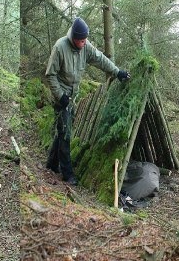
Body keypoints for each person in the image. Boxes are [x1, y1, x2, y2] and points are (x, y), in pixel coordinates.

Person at [45, 17, 131, 185]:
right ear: (74, 38)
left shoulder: (85, 47)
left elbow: (100, 59)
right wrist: (60, 96)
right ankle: (67, 174)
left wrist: (117, 72)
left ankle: (51, 164)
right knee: (66, 134)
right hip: (60, 96)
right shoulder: (60, 47)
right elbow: (50, 75)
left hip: (72, 97)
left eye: (86, 40)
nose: (84, 43)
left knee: (63, 130)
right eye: (82, 40)